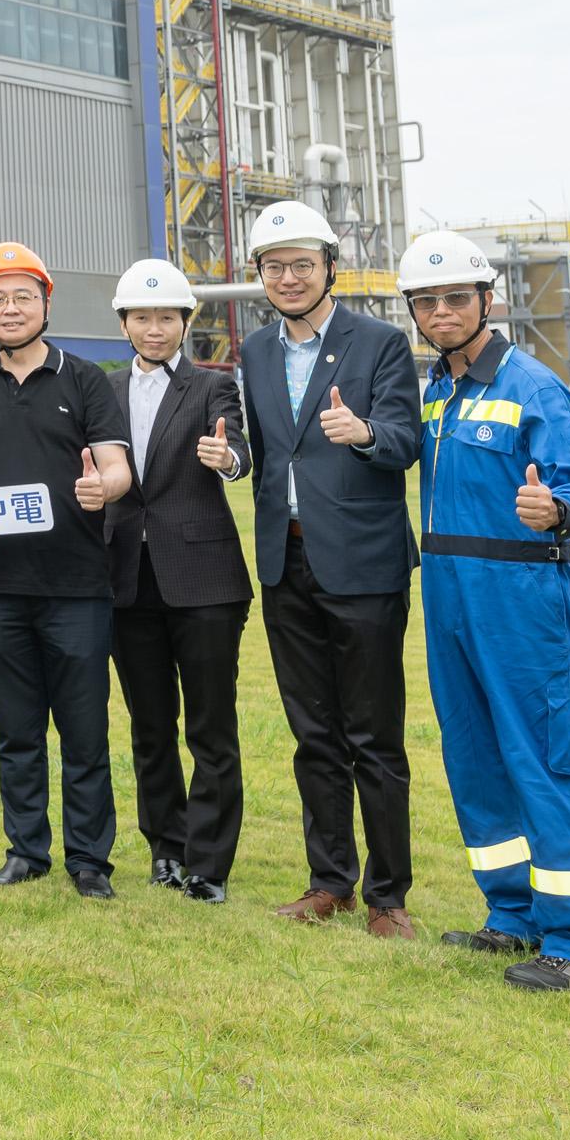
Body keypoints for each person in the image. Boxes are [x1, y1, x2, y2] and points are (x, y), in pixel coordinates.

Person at [397, 231, 570, 990]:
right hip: (450, 598)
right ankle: (514, 915)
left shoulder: (533, 385)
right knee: (476, 758)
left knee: (549, 758)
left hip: (525, 601)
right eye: (426, 301)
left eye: (456, 297)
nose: (442, 311)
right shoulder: (434, 393)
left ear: (485, 300)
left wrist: (555, 508)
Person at [205, 200, 424, 940]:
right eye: (275, 267)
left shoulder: (381, 344)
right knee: (313, 734)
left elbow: (405, 441)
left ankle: (387, 897)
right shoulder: (258, 353)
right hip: (285, 560)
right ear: (259, 277)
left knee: (373, 735)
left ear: (329, 266)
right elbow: (262, 452)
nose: (289, 278)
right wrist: (231, 461)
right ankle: (329, 879)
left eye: (302, 264)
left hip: (362, 564)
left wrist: (364, 432)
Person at [0, 241, 134, 900]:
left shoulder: (85, 380)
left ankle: (89, 862)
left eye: (23, 296)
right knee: (16, 730)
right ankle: (26, 851)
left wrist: (106, 487)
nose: (11, 308)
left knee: (84, 730)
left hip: (78, 585)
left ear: (45, 303)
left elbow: (115, 465)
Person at [102, 259, 251, 904]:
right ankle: (166, 848)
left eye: (166, 316)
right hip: (126, 581)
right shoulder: (101, 390)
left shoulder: (213, 388)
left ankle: (208, 865)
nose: (154, 327)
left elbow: (239, 449)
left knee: (211, 726)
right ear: (125, 323)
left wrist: (229, 460)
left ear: (186, 322)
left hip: (204, 579)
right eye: (142, 316)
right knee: (151, 725)